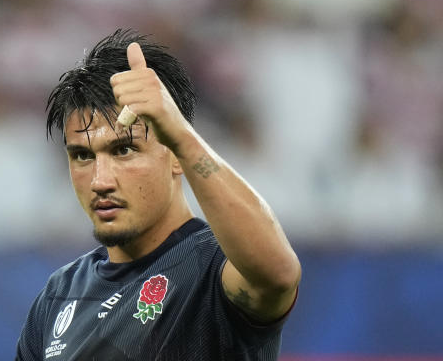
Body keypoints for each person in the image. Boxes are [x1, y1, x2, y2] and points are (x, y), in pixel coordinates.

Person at [15, 29, 300, 360]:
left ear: (176, 155)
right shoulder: (57, 297)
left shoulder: (213, 267)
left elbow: (278, 275)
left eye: (124, 150)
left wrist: (179, 131)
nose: (100, 180)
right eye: (82, 156)